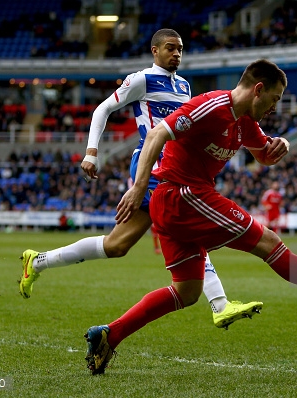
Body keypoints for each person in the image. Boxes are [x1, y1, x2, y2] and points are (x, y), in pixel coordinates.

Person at [84, 59, 297, 375]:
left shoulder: (245, 122)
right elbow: (155, 135)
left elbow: (263, 155)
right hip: (182, 195)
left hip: (176, 202)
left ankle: (110, 334)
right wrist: (137, 188)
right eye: (275, 99)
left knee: (187, 291)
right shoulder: (211, 106)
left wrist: (278, 147)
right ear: (258, 89)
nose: (274, 107)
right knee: (269, 243)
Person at [18, 28, 262, 330]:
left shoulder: (185, 86)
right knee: (189, 227)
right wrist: (92, 152)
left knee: (117, 245)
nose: (176, 54)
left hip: (175, 168)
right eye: (170, 48)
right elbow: (103, 108)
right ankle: (220, 304)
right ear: (154, 51)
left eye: (180, 49)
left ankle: (38, 261)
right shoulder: (142, 79)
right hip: (153, 166)